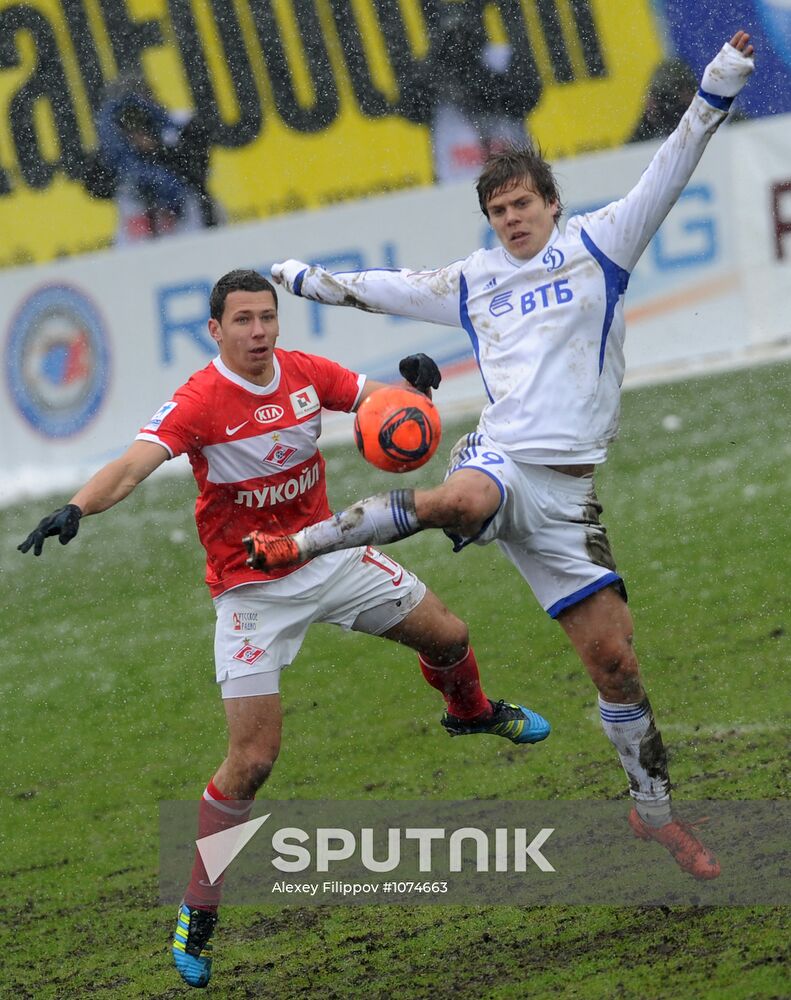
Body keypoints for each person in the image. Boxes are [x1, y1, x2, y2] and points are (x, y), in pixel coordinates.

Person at [247, 33, 756, 882]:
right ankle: (299, 545)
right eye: (497, 210)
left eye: (521, 204)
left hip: (565, 498)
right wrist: (302, 279)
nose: (511, 219)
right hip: (501, 458)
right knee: (461, 499)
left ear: (551, 205)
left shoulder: (602, 245)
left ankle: (653, 811)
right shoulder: (476, 281)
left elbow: (673, 162)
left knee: (615, 665)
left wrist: (717, 84)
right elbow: (384, 288)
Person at [17, 270, 549, 989]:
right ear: (216, 331)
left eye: (267, 317)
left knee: (449, 636)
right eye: (243, 320)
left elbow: (375, 406)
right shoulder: (200, 402)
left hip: (329, 557)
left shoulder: (305, 375)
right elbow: (133, 465)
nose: (259, 331)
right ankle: (198, 909)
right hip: (251, 594)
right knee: (253, 761)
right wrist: (77, 508)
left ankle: (471, 713)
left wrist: (414, 395)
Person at [402, 6, 538, 183]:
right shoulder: (432, 69)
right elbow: (410, 109)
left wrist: (469, 69)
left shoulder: (503, 57)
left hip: (516, 178)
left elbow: (526, 99)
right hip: (458, 182)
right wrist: (439, 60)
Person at [90, 75, 220, 245]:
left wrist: (159, 149)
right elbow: (94, 186)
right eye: (127, 120)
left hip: (194, 231)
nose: (136, 127)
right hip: (138, 241)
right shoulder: (116, 150)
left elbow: (196, 170)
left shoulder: (181, 127)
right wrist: (124, 154)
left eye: (141, 116)